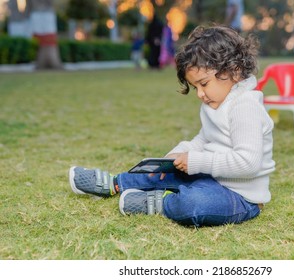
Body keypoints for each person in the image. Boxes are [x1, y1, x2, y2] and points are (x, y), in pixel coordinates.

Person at [68, 25, 275, 227]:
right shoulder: (215, 102)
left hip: (240, 197)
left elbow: (248, 163)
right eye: (195, 87)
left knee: (194, 204)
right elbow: (203, 140)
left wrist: (196, 162)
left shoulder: (245, 107)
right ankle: (116, 183)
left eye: (204, 84)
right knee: (162, 172)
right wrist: (177, 154)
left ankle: (162, 203)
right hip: (211, 178)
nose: (200, 94)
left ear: (235, 70)